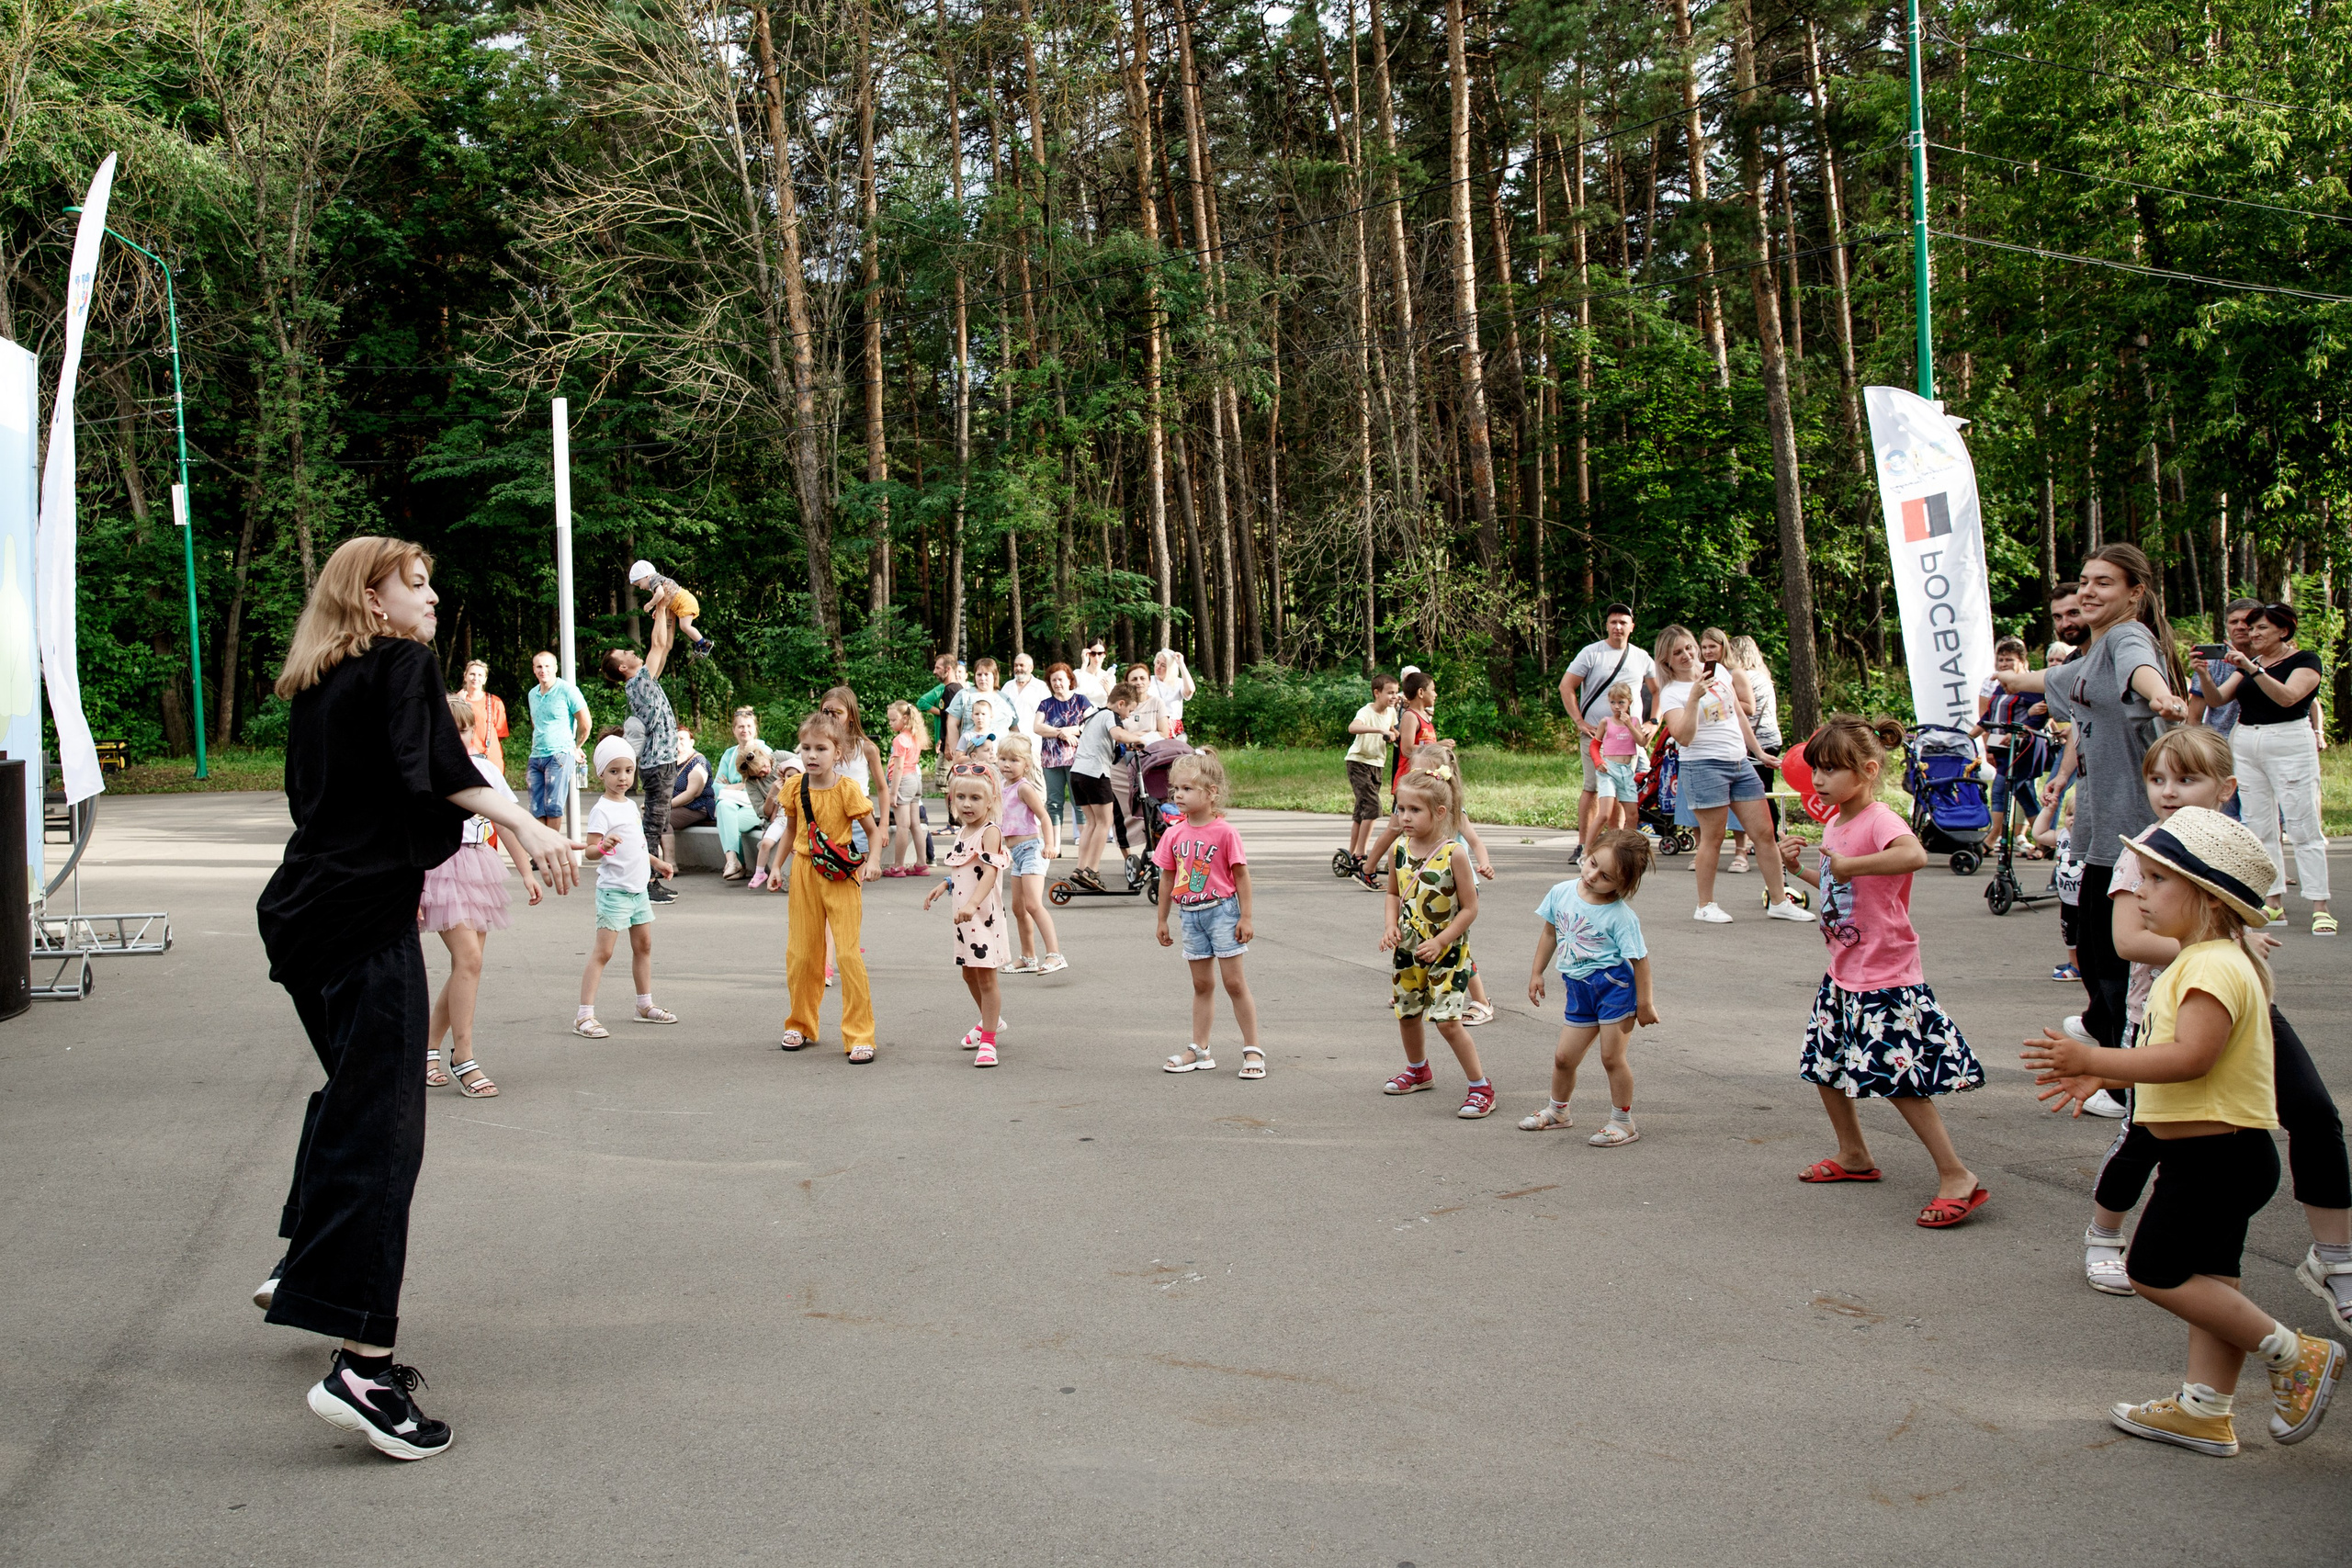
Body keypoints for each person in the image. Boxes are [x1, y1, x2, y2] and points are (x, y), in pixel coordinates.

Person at [253, 536, 576, 1462]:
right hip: (363, 925)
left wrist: (503, 830)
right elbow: (431, 767)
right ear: (371, 597)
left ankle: (304, 1262)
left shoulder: (317, 683)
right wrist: (524, 822)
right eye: (417, 585)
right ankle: (364, 1368)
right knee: (383, 1129)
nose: (432, 599)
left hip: (302, 917)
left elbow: (345, 796)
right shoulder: (399, 663)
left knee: (349, 1097)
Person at [2020, 807, 2344, 1459]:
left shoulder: (2209, 966)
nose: (2139, 890)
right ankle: (2205, 1409)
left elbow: (2192, 1056)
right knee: (2213, 1281)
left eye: (2157, 879)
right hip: (2222, 1155)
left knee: (2152, 1270)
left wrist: (2096, 1058)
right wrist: (2105, 1075)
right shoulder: (2209, 959)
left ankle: (2295, 1352)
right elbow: (2186, 1064)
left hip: (2215, 1159)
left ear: (2207, 895)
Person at [2057, 728, 2352, 1319]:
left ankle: (2335, 1257)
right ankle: (2104, 1235)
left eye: (2187, 779)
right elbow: (2126, 940)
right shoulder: (2145, 850)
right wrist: (2219, 946)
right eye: (2157, 779)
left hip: (2240, 1008)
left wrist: (2231, 948)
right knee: (2145, 1137)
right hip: (2162, 1013)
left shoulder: (2232, 844)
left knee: (2313, 1114)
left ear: (2226, 788)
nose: (2168, 792)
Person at [1778, 716, 1988, 1227]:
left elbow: (1914, 856)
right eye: (1816, 769)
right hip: (1844, 970)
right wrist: (1799, 871)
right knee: (1824, 1065)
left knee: (1900, 1079)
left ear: (1868, 771)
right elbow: (1840, 885)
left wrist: (1851, 865)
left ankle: (1957, 1174)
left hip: (1884, 974)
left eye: (1831, 769)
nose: (1819, 779)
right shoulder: (1837, 822)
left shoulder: (1880, 820)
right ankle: (1854, 1154)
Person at [1996, 544, 2190, 1052]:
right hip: (2104, 825)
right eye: (2084, 581)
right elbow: (2048, 679)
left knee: (2115, 957)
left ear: (2135, 593)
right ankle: (2105, 1031)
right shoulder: (2089, 657)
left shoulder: (2127, 637)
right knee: (2095, 948)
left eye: (2104, 582)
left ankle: (2121, 1065)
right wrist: (2010, 679)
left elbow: (2141, 670)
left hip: (2135, 826)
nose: (2088, 591)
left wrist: (2160, 695)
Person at [421, 694, 548, 1100]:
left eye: (464, 730)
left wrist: (525, 872)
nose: (458, 738)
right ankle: (464, 1057)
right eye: (449, 731)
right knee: (469, 960)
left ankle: (426, 1050)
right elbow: (409, 831)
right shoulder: (424, 771)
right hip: (440, 867)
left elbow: (506, 823)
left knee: (468, 966)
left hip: (479, 866)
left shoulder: (485, 769)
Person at [1653, 625, 1810, 925]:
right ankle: (1705, 905)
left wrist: (1759, 753)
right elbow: (1683, 737)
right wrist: (1694, 698)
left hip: (1739, 762)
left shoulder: (1721, 673)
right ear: (1666, 660)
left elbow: (1738, 714)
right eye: (1677, 652)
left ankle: (1779, 901)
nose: (1686, 655)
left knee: (1764, 833)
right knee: (1712, 838)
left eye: (1689, 647)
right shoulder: (1672, 692)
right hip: (1703, 765)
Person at [1521, 826, 1658, 1145]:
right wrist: (1537, 972)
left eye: (1606, 876)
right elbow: (1550, 933)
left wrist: (1645, 1003)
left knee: (1611, 1058)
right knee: (1564, 1058)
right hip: (1578, 990)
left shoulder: (1621, 917)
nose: (1592, 875)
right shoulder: (1561, 892)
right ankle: (1558, 1111)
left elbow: (1640, 961)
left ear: (1623, 884)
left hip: (1613, 989)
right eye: (1593, 863)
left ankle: (1623, 1122)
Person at [2205, 602, 2333, 934]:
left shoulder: (2305, 660)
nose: (2253, 633)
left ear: (2283, 631)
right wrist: (2204, 674)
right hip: (2247, 740)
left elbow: (2288, 697)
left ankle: (2320, 905)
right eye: (2251, 628)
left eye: (2261, 627)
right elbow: (2217, 700)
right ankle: (2272, 901)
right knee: (2259, 826)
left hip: (2289, 740)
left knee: (2302, 824)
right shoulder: (2253, 662)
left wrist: (2252, 669)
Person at [1378, 764, 1493, 1118]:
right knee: (1407, 1013)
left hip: (1447, 952)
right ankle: (1418, 1071)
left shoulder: (1453, 853)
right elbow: (1393, 893)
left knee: (1447, 1021)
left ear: (1440, 812)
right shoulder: (1399, 849)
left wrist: (1442, 941)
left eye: (1415, 810)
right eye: (1400, 808)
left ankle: (1481, 1087)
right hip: (1408, 949)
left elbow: (1470, 908)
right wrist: (1389, 926)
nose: (1404, 817)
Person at [1153, 750, 1263, 1078]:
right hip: (1190, 915)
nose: (1178, 795)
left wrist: (1246, 917)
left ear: (1211, 792)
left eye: (1187, 789)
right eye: (1176, 789)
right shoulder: (1173, 834)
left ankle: (1253, 1049)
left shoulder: (1225, 832)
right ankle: (1200, 1049)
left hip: (1222, 913)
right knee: (1201, 984)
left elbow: (1241, 876)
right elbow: (1167, 879)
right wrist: (1162, 919)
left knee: (1234, 983)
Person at [777, 712, 882, 1058]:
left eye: (821, 748)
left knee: (848, 955)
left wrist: (873, 862)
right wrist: (775, 866)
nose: (812, 755)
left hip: (840, 877)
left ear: (838, 752)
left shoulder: (847, 789)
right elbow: (790, 830)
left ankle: (860, 1034)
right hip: (803, 871)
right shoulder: (795, 787)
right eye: (806, 748)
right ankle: (800, 1023)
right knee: (802, 953)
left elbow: (873, 832)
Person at [575, 734, 677, 1037]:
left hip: (638, 890)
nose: (622, 778)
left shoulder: (631, 806)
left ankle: (644, 1005)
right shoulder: (602, 809)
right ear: (601, 774)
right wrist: (603, 846)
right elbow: (590, 851)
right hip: (614, 891)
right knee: (603, 953)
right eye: (614, 771)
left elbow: (636, 845)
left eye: (628, 771)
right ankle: (584, 1015)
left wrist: (656, 862)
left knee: (643, 946)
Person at [1558, 604, 1660, 867]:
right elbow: (1566, 686)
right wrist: (1579, 721)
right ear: (1606, 625)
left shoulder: (1641, 657)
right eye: (1613, 622)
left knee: (1622, 789)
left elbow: (1658, 690)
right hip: (1598, 735)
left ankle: (1617, 844)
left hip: (1629, 738)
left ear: (1631, 627)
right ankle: (1584, 844)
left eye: (1623, 622)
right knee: (1593, 787)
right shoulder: (1592, 653)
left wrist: (1654, 722)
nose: (1618, 627)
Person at [926, 760, 1010, 1066]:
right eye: (961, 797)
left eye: (975, 798)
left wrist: (973, 904)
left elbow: (989, 872)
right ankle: (991, 1020)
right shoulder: (963, 831)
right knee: (968, 973)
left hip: (983, 918)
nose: (967, 804)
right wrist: (945, 884)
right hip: (964, 920)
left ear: (990, 801)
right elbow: (966, 867)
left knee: (986, 978)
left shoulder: (990, 831)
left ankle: (989, 1039)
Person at [601, 607, 682, 904]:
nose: (631, 651)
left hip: (662, 763)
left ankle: (649, 880)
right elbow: (657, 645)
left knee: (657, 822)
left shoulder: (646, 681)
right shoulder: (638, 683)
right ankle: (646, 883)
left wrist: (670, 613)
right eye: (625, 653)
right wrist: (659, 606)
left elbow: (666, 645)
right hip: (658, 765)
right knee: (652, 825)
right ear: (623, 667)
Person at [994, 732, 1067, 974]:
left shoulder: (1024, 788)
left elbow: (1044, 816)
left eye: (1014, 760)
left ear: (1026, 764)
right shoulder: (1002, 786)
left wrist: (1050, 845)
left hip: (1032, 850)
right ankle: (1028, 957)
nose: (1007, 764)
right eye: (1003, 759)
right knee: (1018, 907)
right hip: (1016, 854)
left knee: (1034, 905)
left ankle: (1055, 955)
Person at [2186, 598, 2259, 822]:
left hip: (2259, 746)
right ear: (2226, 626)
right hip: (2221, 747)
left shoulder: (2271, 660)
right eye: (2233, 622)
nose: (2240, 626)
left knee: (2262, 818)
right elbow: (2194, 715)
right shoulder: (2213, 663)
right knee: (2225, 818)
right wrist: (2192, 751)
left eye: (2246, 621)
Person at [1974, 637, 2048, 856]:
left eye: (2009, 660)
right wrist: (1968, 736)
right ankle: (2045, 841)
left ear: (2022, 662)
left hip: (2023, 748)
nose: (2004, 664)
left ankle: (1991, 839)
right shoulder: (2000, 686)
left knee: (2000, 789)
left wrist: (2021, 730)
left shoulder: (2030, 686)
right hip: (2002, 749)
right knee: (2024, 794)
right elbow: (1988, 717)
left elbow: (2042, 715)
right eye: (2001, 660)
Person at [1068, 682, 1144, 890]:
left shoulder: (1093, 716)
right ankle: (1091, 871)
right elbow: (1118, 734)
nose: (1128, 716)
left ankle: (1080, 868)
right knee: (1105, 821)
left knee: (1091, 823)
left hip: (1077, 774)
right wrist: (1138, 740)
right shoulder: (1111, 716)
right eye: (1129, 710)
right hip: (1095, 774)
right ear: (1121, 704)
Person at [1725, 635, 1781, 870]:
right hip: (1772, 737)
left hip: (1756, 741)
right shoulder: (1764, 678)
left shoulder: (1743, 678)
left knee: (1756, 794)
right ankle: (1772, 837)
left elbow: (1739, 710)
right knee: (1767, 790)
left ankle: (1766, 838)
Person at [524, 650, 591, 829]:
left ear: (555, 668)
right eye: (539, 666)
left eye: (547, 666)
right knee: (536, 808)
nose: (543, 670)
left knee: (553, 806)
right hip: (536, 755)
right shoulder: (532, 694)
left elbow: (585, 723)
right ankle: (541, 845)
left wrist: (576, 747)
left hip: (559, 755)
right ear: (534, 669)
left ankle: (552, 846)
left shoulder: (567, 690)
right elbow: (536, 721)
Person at [1032, 662, 1092, 845]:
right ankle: (1055, 844)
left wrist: (1071, 730)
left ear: (1069, 680)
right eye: (1054, 680)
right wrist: (1061, 733)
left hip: (1077, 760)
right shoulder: (1046, 704)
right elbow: (1037, 727)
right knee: (1054, 802)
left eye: (1061, 679)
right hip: (1051, 761)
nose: (1057, 683)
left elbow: (1090, 724)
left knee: (1079, 802)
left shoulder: (1081, 700)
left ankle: (1085, 843)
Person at [1343, 673, 1400, 863]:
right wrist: (1379, 730)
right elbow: (1353, 728)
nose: (1394, 696)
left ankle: (1351, 854)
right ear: (1377, 693)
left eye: (1396, 692)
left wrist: (1395, 733)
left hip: (1376, 764)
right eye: (1390, 693)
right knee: (1373, 807)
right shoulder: (1366, 712)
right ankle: (1361, 853)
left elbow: (1392, 729)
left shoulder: (1391, 712)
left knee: (1362, 810)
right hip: (1358, 762)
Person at [1593, 682, 1649, 833]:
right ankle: (1587, 845)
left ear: (1629, 702)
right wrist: (1598, 761)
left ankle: (1628, 844)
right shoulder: (1606, 722)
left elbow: (1642, 742)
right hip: (1610, 769)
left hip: (1627, 770)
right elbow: (1594, 745)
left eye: (1621, 702)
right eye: (1613, 702)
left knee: (1633, 815)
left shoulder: (1634, 721)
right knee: (1604, 814)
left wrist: (1629, 725)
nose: (1617, 707)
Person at [628, 558, 712, 659]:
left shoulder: (654, 580)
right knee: (684, 626)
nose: (641, 588)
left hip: (684, 602)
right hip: (683, 602)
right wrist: (657, 610)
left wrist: (650, 604)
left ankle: (704, 644)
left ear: (647, 576)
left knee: (685, 626)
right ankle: (700, 643)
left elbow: (660, 594)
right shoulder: (657, 580)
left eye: (639, 584)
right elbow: (664, 599)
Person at [882, 700, 929, 874]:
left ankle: (898, 866)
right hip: (915, 780)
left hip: (903, 781)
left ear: (905, 718)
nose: (890, 723)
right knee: (915, 824)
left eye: (893, 720)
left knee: (902, 826)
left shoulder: (900, 739)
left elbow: (898, 768)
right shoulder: (915, 737)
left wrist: (893, 793)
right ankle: (921, 863)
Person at [455, 659, 508, 773]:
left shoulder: (495, 702)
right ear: (465, 676)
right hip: (463, 759)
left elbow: (500, 734)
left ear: (485, 680)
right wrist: (459, 702)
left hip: (490, 760)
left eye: (480, 675)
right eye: (472, 674)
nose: (475, 678)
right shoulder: (454, 701)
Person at [946, 658, 1004, 758]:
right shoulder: (964, 695)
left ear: (994, 675)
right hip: (971, 757)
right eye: (979, 674)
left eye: (986, 674)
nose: (982, 678)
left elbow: (1014, 727)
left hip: (1001, 757)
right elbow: (951, 724)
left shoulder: (1004, 698)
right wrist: (958, 755)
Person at [665, 728, 716, 834]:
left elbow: (692, 794)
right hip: (676, 806)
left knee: (660, 820)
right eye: (675, 739)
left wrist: (665, 806)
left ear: (691, 742)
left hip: (697, 807)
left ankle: (666, 846)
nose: (678, 742)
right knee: (647, 818)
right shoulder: (673, 762)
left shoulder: (698, 762)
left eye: (682, 739)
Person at [916, 653, 962, 754]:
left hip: (951, 747)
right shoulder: (954, 688)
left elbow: (952, 721)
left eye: (938, 668)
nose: (934, 672)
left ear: (948, 669)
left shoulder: (950, 691)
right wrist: (942, 739)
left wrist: (948, 745)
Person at [1000, 652, 1048, 743]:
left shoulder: (1041, 687)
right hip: (1010, 740)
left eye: (1022, 665)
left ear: (1031, 668)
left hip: (1034, 740)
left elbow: (1048, 714)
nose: (1018, 668)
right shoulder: (1007, 686)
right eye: (1016, 665)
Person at [1150, 649, 1196, 737]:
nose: (1158, 667)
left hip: (1173, 728)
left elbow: (1190, 690)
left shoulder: (1178, 683)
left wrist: (1181, 664)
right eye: (1157, 662)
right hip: (1152, 726)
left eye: (1163, 665)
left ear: (1170, 668)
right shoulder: (1147, 681)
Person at [1073, 638, 1116, 704]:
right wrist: (1084, 664)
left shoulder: (1110, 677)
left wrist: (1109, 691)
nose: (1096, 657)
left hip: (1104, 709)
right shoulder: (1078, 673)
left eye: (1100, 653)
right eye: (1093, 653)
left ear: (1105, 655)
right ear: (1088, 654)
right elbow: (1074, 694)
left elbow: (1114, 703)